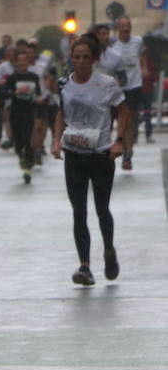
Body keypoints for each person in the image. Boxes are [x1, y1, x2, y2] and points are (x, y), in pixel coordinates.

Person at [52, 33, 129, 286]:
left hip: (101, 154)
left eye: (86, 57)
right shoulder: (64, 83)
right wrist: (55, 140)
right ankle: (84, 266)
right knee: (78, 211)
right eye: (77, 57)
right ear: (71, 58)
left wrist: (119, 140)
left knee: (101, 208)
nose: (81, 62)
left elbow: (124, 110)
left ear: (94, 59)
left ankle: (108, 250)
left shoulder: (107, 83)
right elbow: (61, 112)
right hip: (74, 154)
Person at [101, 17, 148, 169]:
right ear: (117, 28)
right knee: (110, 121)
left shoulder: (138, 41)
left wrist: (144, 67)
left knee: (129, 122)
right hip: (115, 89)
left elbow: (143, 53)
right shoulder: (112, 44)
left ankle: (127, 155)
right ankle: (108, 150)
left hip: (133, 87)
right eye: (122, 26)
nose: (125, 29)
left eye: (128, 26)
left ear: (131, 27)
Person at [6, 45, 41, 183]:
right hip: (15, 112)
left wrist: (38, 98)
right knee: (18, 142)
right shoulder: (12, 78)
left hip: (29, 111)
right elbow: (4, 93)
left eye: (24, 60)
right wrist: (15, 92)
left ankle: (28, 167)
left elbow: (38, 92)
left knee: (27, 139)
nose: (22, 62)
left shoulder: (34, 77)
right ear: (16, 62)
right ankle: (21, 156)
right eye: (19, 60)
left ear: (28, 61)